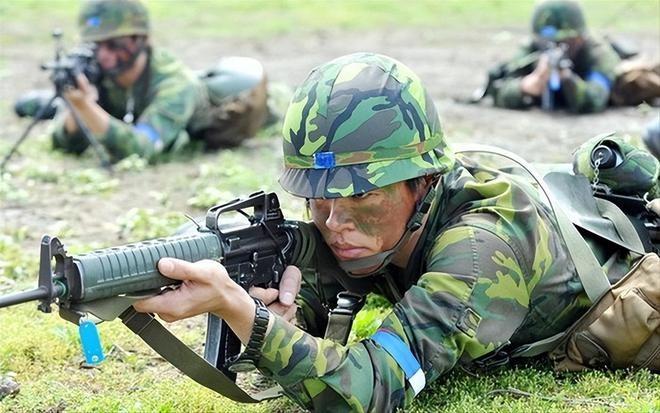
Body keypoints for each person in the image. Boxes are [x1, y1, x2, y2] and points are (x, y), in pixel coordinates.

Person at [133, 53, 655, 411]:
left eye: (361, 194)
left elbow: (370, 390)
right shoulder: (382, 221)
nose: (335, 223)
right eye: (317, 198)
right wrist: (281, 321)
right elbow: (296, 348)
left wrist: (243, 313)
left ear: (422, 181)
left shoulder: (478, 249)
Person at [52, 0, 268, 162]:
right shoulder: (98, 70)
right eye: (94, 46)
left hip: (228, 113)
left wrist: (85, 106)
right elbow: (64, 143)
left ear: (141, 39)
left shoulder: (176, 84)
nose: (103, 55)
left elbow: (143, 149)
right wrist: (76, 106)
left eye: (115, 44)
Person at [487, 0, 620, 113]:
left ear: (579, 38)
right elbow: (499, 90)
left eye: (565, 41)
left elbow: (596, 99)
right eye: (546, 41)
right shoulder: (531, 48)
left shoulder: (597, 52)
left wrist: (568, 80)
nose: (554, 46)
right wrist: (525, 86)